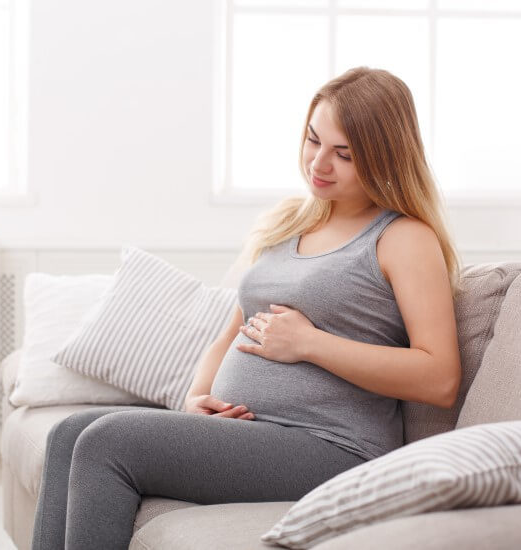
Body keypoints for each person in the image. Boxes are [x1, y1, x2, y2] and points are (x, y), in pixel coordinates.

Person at [31, 66, 462, 550]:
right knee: (67, 432)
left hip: (334, 448)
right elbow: (232, 333)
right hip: (255, 435)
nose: (319, 163)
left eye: (344, 153)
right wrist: (196, 399)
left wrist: (311, 344)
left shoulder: (403, 237)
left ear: (385, 157)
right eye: (313, 140)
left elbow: (440, 377)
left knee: (108, 442)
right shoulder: (291, 224)